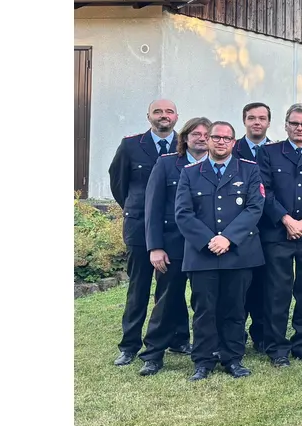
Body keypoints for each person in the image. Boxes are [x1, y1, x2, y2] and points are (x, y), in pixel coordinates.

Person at [173, 121, 266, 380]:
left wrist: (228, 239)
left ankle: (232, 358)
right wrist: (209, 240)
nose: (221, 142)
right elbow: (183, 213)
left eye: (227, 138)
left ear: (234, 142)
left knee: (235, 309)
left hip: (238, 253)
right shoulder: (190, 173)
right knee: (204, 310)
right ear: (208, 140)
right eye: (216, 137)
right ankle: (203, 361)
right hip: (202, 254)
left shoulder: (249, 171)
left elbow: (255, 208)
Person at [256, 104, 302, 365]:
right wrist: (286, 220)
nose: (299, 128)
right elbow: (263, 190)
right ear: (285, 124)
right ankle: (276, 348)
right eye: (295, 123)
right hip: (277, 233)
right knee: (277, 292)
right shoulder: (268, 153)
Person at [107, 98, 179, 366]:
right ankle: (129, 345)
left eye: (169, 111)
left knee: (171, 287)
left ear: (176, 117)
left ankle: (177, 338)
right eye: (158, 111)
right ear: (148, 115)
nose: (164, 116)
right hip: (139, 227)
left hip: (173, 228)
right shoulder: (130, 145)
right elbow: (119, 183)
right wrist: (136, 208)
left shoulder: (184, 144)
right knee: (138, 288)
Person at [136, 117, 210, 375]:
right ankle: (153, 354)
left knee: (204, 302)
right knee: (166, 302)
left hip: (207, 248)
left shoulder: (219, 167)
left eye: (206, 134)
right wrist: (155, 247)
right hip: (173, 246)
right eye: (196, 133)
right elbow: (152, 208)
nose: (201, 137)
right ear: (185, 138)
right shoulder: (167, 164)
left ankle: (205, 350)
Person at [233, 102, 276, 355]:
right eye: (251, 118)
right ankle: (234, 335)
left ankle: (261, 335)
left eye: (262, 118)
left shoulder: (277, 150)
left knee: (265, 286)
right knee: (238, 288)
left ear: (269, 122)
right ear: (244, 121)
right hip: (237, 231)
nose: (257, 122)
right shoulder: (231, 148)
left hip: (269, 229)